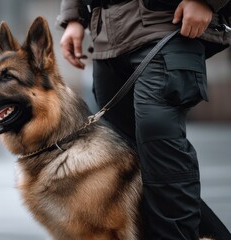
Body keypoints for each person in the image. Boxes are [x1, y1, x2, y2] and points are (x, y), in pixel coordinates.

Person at [57, 0, 230, 239]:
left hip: (165, 26)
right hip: (106, 39)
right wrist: (74, 18)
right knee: (128, 162)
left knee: (159, 145)